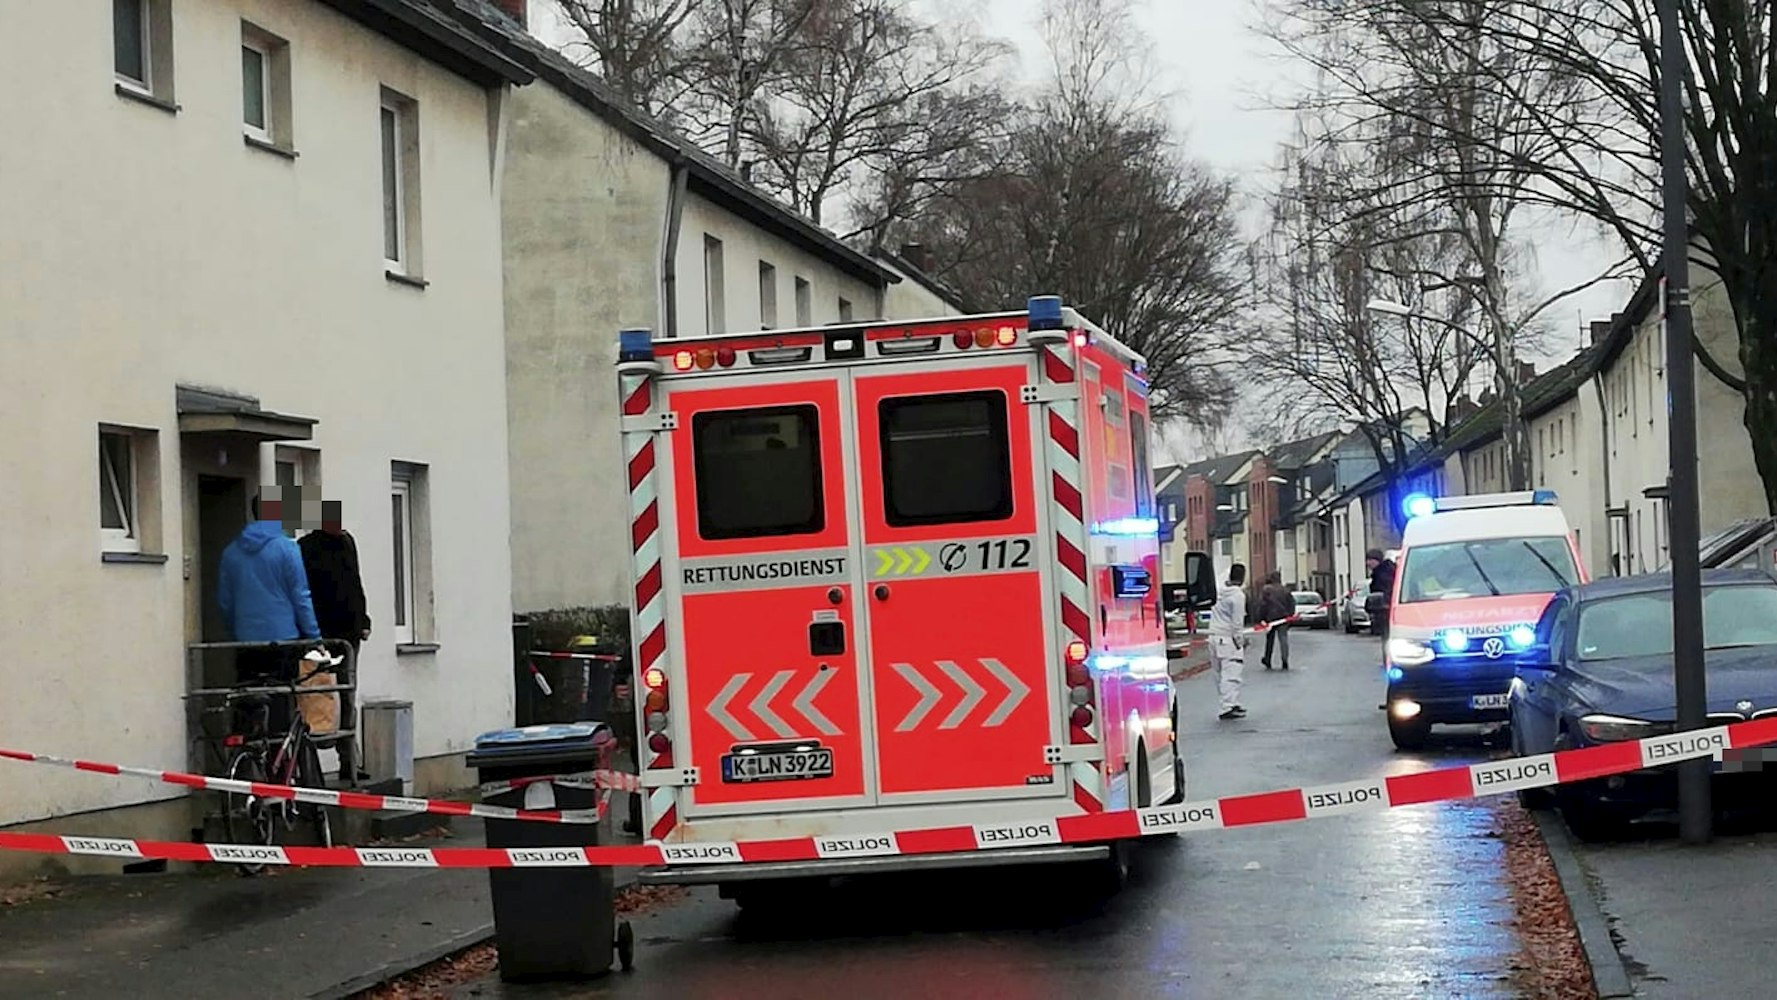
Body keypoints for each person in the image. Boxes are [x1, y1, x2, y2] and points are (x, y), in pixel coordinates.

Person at [218, 488, 322, 692]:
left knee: (248, 694)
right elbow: (301, 597)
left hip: (246, 638)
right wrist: (314, 637)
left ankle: (249, 723)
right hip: (283, 636)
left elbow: (225, 601)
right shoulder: (287, 549)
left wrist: (235, 630)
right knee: (281, 696)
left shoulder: (231, 552)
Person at [298, 500, 372, 661]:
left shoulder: (346, 542)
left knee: (344, 678)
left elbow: (355, 582)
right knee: (325, 677)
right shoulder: (307, 546)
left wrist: (363, 621)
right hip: (324, 626)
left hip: (348, 627)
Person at [1209, 563, 1249, 720]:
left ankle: (1229, 702)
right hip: (1227, 639)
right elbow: (1237, 622)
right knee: (1231, 673)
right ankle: (1227, 706)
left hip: (1213, 636)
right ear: (1242, 577)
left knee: (1218, 673)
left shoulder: (1219, 592)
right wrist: (1240, 641)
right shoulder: (1237, 596)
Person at [1258, 570, 1294, 670]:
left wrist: (1262, 618)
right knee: (1283, 639)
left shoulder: (1266, 590)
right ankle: (1285, 660)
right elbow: (1291, 604)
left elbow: (1263, 605)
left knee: (1270, 640)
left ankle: (1268, 659)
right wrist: (1290, 617)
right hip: (1283, 617)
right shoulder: (1286, 590)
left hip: (1270, 618)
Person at [1365, 548, 1397, 637]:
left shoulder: (1384, 575)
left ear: (1377, 561)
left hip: (1386, 615)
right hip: (1382, 616)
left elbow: (1383, 595)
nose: (1367, 563)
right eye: (1367, 560)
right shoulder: (1379, 574)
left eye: (1370, 560)